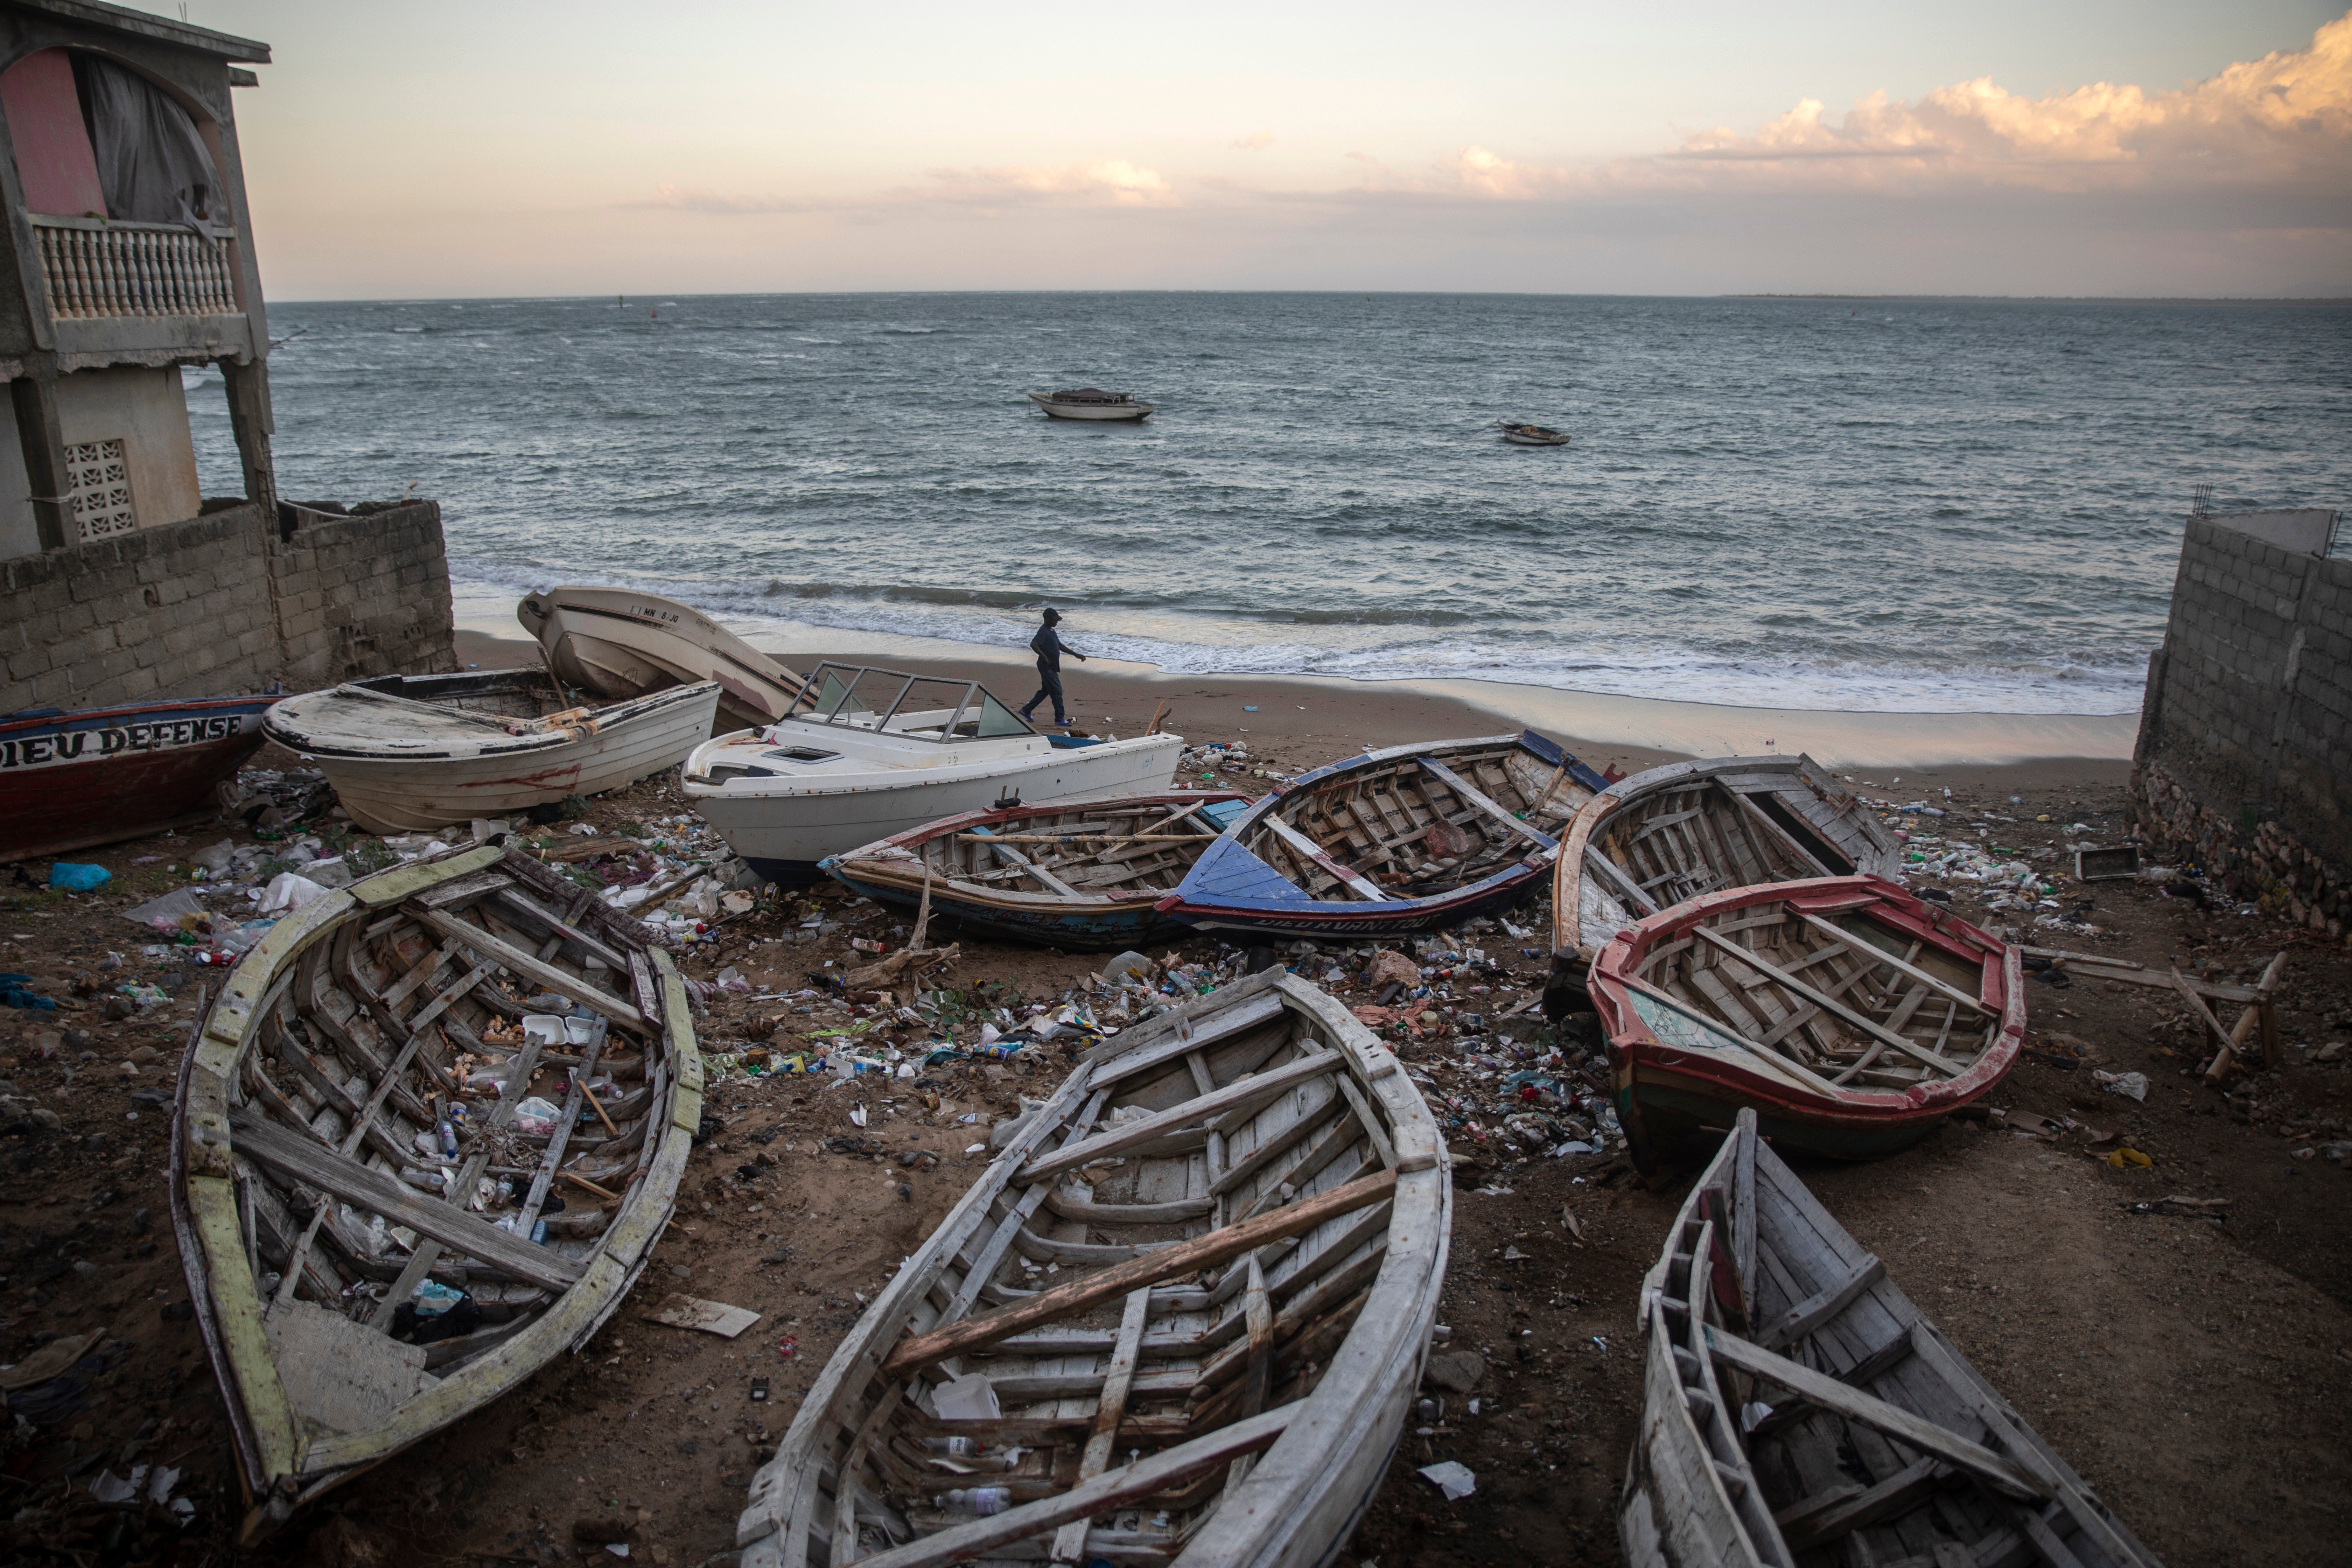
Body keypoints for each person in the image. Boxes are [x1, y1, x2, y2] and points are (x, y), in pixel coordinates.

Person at [1019, 608, 1086, 727]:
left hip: (1051, 667)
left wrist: (1075, 654)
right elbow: (1034, 644)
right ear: (1047, 619)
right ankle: (1059, 719)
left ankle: (1026, 710)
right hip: (1046, 667)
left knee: (1046, 690)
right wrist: (1044, 657)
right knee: (1057, 691)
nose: (1056, 622)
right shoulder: (1043, 631)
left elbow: (1060, 646)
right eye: (1055, 620)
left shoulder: (1052, 631)